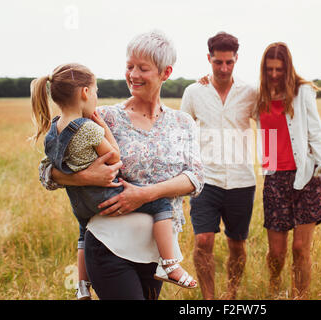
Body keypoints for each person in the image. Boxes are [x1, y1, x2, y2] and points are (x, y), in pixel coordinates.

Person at [38, 30, 203, 299]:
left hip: (154, 253)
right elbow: (47, 172)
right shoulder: (103, 117)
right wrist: (88, 178)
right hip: (108, 245)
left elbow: (195, 179)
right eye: (129, 66)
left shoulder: (182, 123)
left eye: (143, 68)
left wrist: (144, 195)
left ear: (166, 72)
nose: (133, 75)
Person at [180, 32, 257, 300]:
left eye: (229, 62)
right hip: (205, 180)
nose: (223, 69)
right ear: (208, 59)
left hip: (242, 181)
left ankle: (232, 296)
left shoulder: (250, 92)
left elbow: (272, 120)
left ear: (236, 59)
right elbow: (183, 134)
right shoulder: (193, 92)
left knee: (237, 245)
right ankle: (209, 300)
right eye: (218, 62)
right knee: (203, 242)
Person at [254, 42, 321, 299]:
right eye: (269, 69)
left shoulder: (303, 92)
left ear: (288, 68)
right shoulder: (258, 95)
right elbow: (227, 92)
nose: (274, 74)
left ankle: (300, 296)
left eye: (279, 69)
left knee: (301, 248)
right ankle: (275, 289)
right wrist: (206, 82)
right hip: (275, 178)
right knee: (277, 252)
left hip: (306, 177)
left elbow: (316, 133)